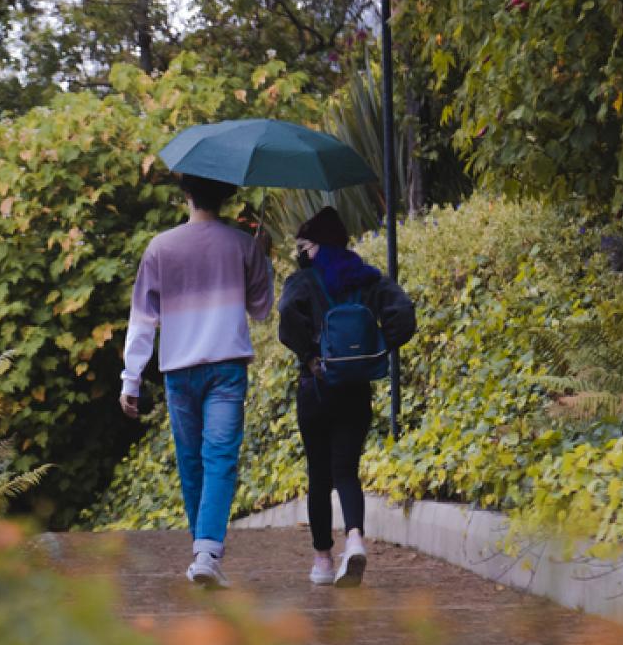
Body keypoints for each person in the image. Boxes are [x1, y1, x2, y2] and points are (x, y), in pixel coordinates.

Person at [120, 174, 274, 588]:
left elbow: (142, 319)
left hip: (178, 371)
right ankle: (205, 551)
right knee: (219, 457)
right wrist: (263, 260)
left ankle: (203, 550)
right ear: (225, 196)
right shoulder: (243, 245)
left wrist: (130, 379)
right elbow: (261, 309)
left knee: (192, 462)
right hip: (226, 367)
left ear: (185, 194)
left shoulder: (159, 248)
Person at [277, 206, 415, 587]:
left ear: (317, 246)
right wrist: (380, 347)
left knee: (318, 475)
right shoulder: (368, 278)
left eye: (304, 245)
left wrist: (308, 355)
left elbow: (287, 316)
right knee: (346, 472)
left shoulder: (302, 282)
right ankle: (355, 537)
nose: (302, 253)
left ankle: (323, 559)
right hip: (356, 390)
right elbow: (404, 313)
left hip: (316, 389)